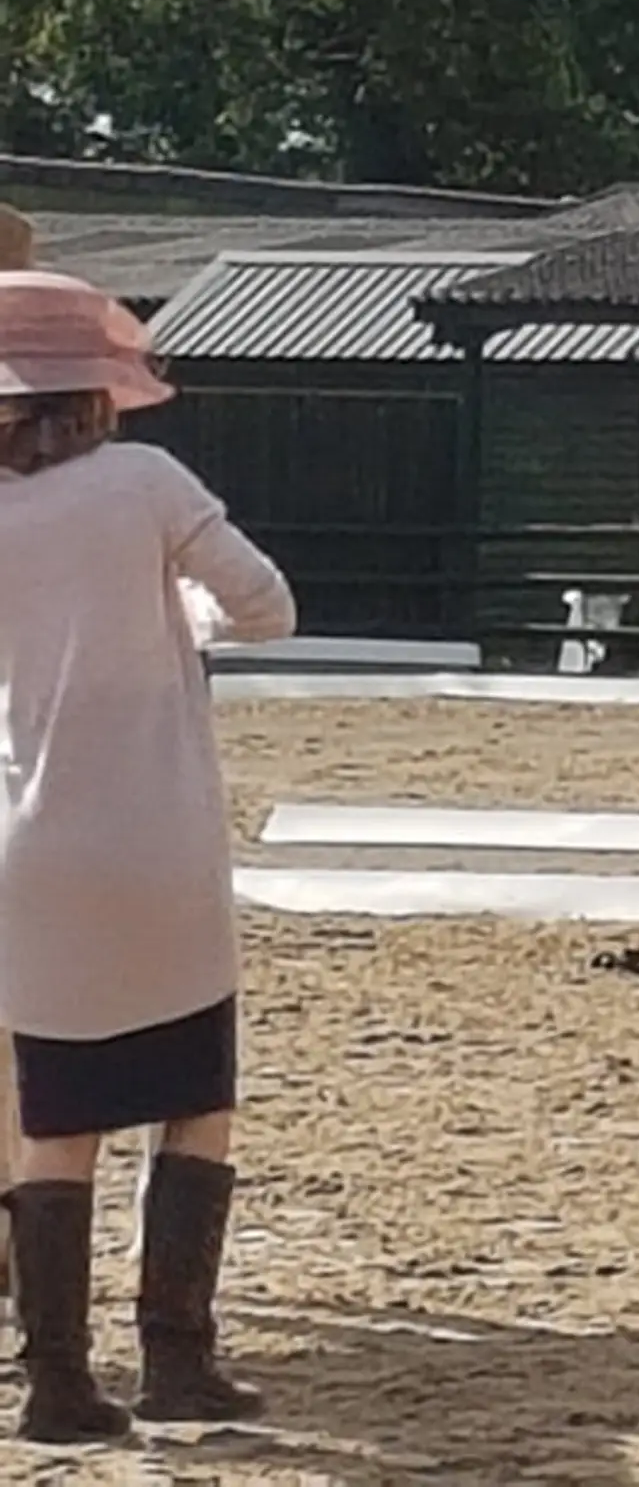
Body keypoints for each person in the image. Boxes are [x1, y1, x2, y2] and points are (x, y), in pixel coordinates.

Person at [0, 268, 296, 1444]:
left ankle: (57, 1381)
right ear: (98, 388)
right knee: (195, 1099)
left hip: (32, 841)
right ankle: (178, 1358)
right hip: (159, 838)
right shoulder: (148, 481)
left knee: (54, 1115)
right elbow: (267, 606)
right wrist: (185, 613)